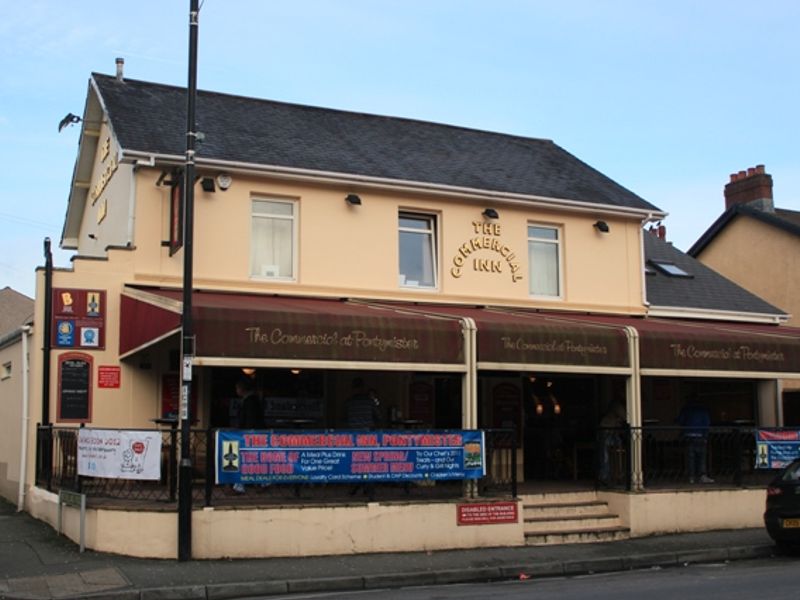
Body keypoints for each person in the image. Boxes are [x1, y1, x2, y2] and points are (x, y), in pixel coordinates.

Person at [232, 377, 263, 494]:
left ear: (242, 389)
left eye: (237, 388)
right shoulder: (250, 400)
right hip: (251, 435)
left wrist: (246, 432)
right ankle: (262, 482)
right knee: (252, 460)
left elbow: (250, 419)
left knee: (246, 459)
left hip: (250, 435)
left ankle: (241, 485)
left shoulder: (250, 401)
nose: (236, 390)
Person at [678, 397, 714, 484]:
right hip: (700, 435)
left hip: (689, 435)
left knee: (691, 457)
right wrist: (705, 436)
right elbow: (707, 423)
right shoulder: (703, 410)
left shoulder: (686, 409)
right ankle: (702, 475)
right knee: (701, 457)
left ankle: (691, 477)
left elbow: (680, 420)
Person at [598, 402, 626, 485]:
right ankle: (604, 477)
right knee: (605, 455)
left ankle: (617, 476)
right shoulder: (617, 405)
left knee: (617, 452)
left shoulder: (617, 406)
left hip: (611, 431)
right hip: (606, 431)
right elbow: (625, 417)